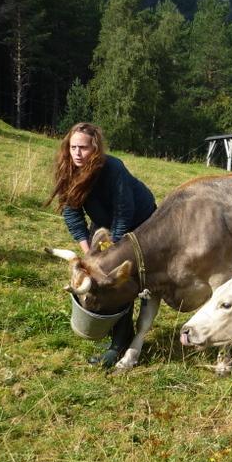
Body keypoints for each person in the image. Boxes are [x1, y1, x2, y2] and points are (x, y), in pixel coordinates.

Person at [46, 122, 156, 368]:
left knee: (121, 282)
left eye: (83, 148)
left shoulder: (112, 168)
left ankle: (121, 345)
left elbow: (123, 212)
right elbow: (73, 214)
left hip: (140, 223)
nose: (77, 153)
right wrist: (90, 259)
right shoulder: (69, 169)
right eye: (73, 147)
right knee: (99, 280)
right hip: (104, 223)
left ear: (94, 148)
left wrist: (110, 255)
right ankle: (117, 338)